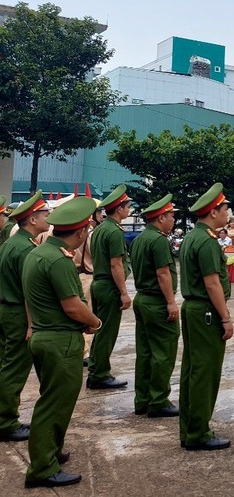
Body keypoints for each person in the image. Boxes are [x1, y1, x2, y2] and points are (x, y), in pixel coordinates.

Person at [22, 196, 102, 489]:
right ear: (81, 232)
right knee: (55, 404)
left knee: (52, 398)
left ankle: (50, 451)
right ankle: (42, 467)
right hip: (60, 340)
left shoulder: (38, 253)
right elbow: (72, 306)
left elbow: (29, 298)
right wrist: (95, 322)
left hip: (44, 336)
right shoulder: (60, 260)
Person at [178, 183, 234, 451]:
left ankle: (189, 428)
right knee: (205, 372)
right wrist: (225, 318)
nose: (227, 212)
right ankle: (198, 432)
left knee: (192, 370)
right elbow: (212, 283)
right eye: (225, 208)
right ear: (213, 212)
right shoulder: (208, 241)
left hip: (194, 309)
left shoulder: (192, 236)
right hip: (207, 312)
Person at [0, 192, 50, 442]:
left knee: (7, 364)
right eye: (44, 214)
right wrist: (32, 325)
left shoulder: (11, 243)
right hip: (18, 312)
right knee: (15, 369)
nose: (48, 218)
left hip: (7, 308)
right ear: (32, 219)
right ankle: (6, 421)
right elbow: (29, 292)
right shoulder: (25, 248)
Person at [131, 194, 181, 418]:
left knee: (145, 352)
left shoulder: (140, 239)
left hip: (142, 298)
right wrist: (171, 302)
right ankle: (159, 400)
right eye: (171, 216)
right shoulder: (159, 240)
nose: (173, 220)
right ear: (161, 218)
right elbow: (162, 273)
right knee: (163, 352)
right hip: (157, 302)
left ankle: (142, 399)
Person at [87, 185, 132, 390]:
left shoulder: (100, 229)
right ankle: (100, 374)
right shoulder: (113, 231)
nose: (129, 209)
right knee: (107, 332)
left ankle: (96, 368)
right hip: (109, 287)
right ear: (120, 209)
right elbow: (115, 264)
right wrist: (124, 292)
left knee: (100, 330)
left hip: (99, 283)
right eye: (127, 205)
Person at [72, 203, 106, 361]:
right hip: (89, 275)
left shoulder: (73, 233)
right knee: (88, 314)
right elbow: (97, 256)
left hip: (77, 274)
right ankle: (85, 352)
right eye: (99, 212)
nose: (101, 215)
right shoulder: (90, 234)